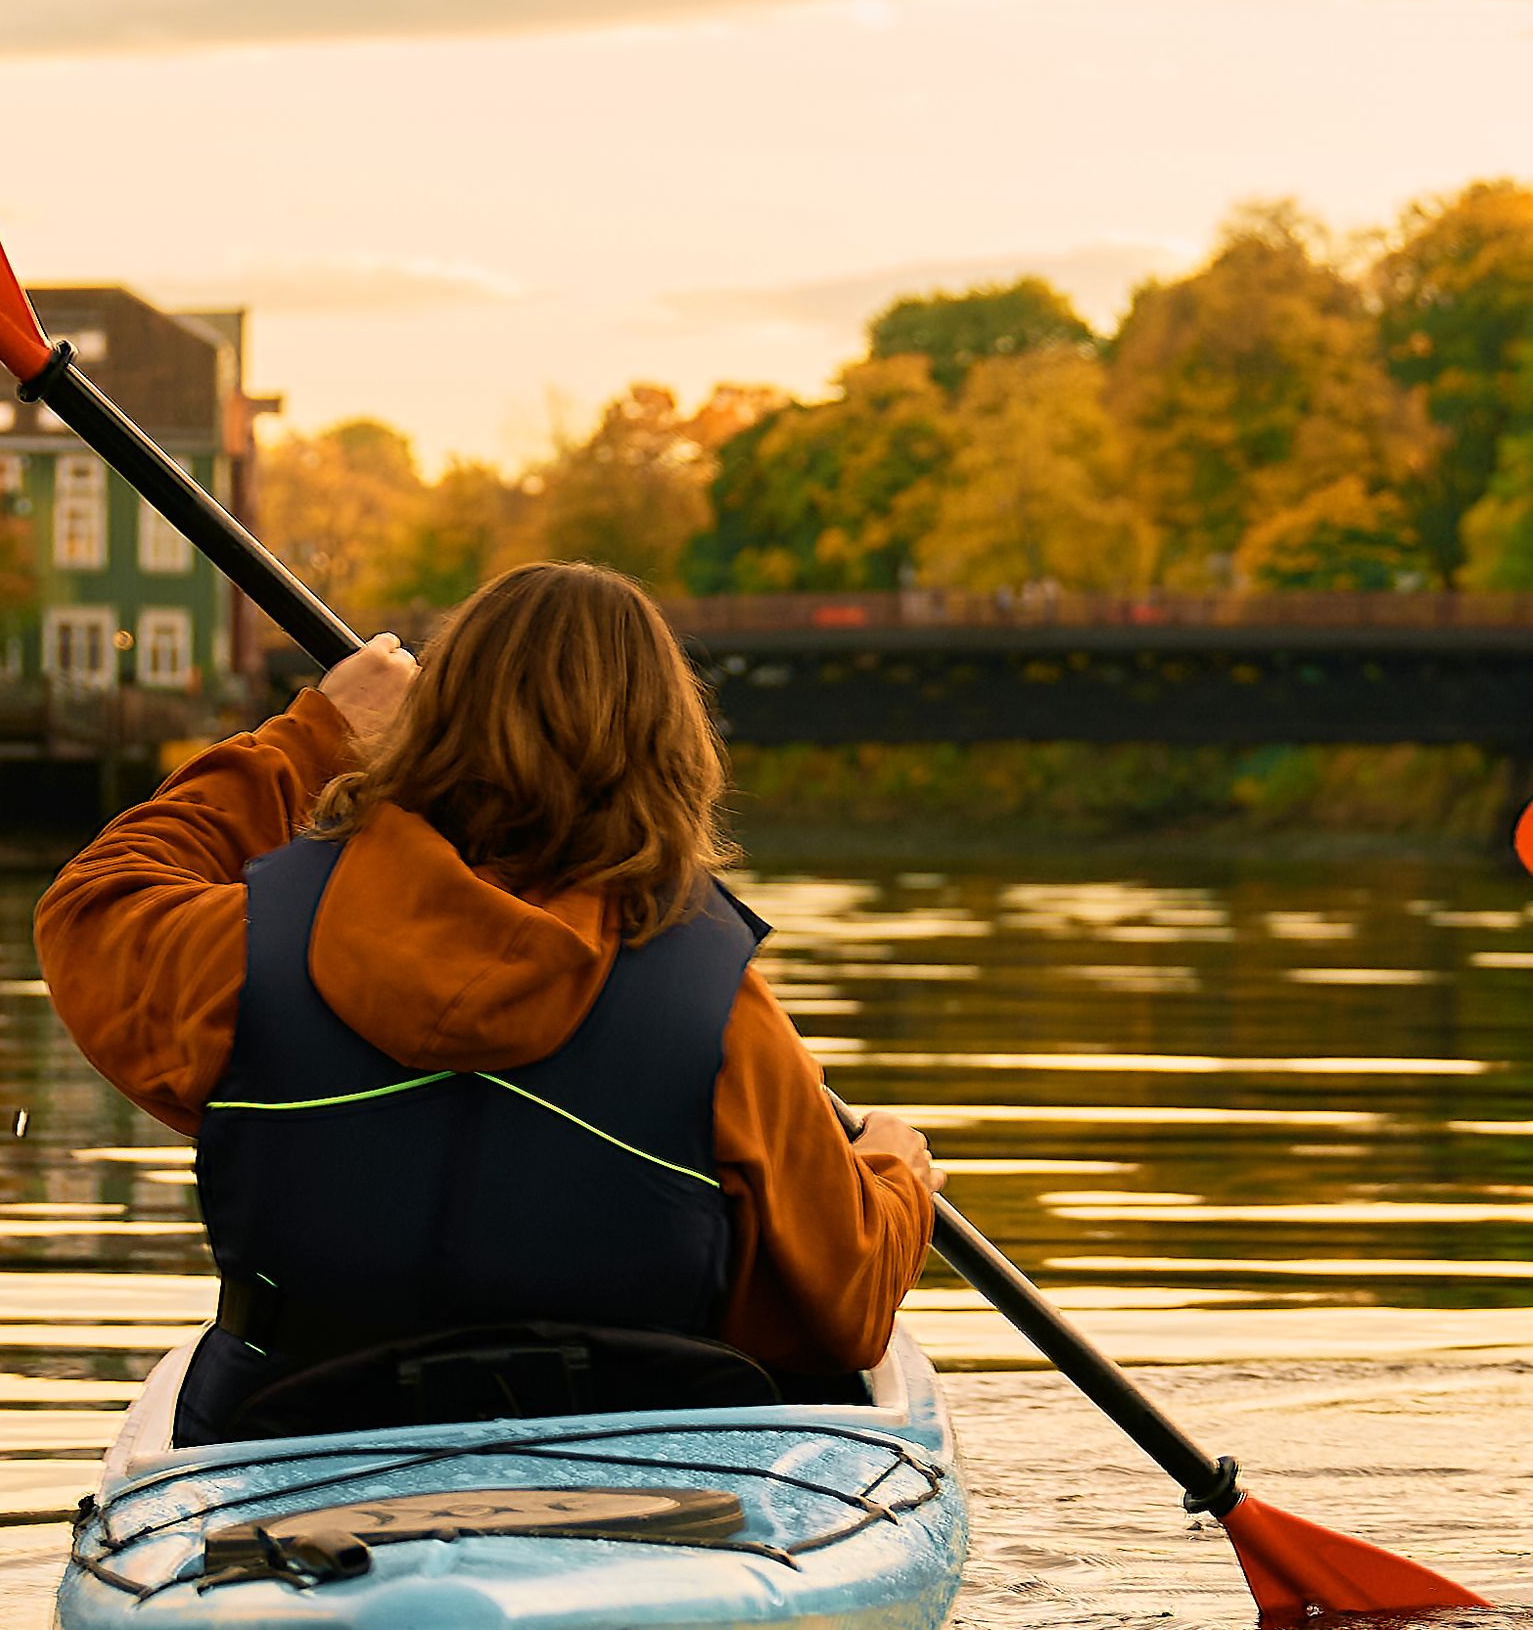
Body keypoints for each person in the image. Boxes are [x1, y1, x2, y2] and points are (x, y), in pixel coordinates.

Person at [46, 558, 942, 1447]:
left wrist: (313, 732)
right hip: (642, 1480)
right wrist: (895, 1175)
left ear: (425, 731)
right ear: (671, 756)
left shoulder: (248, 952)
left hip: (298, 1459)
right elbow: (848, 1311)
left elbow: (95, 901)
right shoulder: (724, 1020)